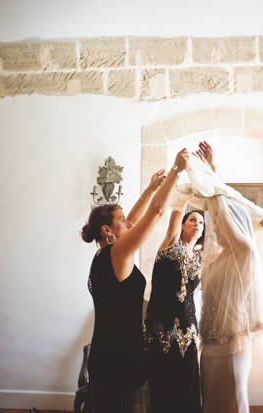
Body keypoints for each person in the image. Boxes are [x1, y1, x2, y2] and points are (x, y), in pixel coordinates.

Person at [175, 141, 263, 413]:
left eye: (216, 224)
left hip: (232, 347)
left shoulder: (246, 253)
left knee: (233, 405)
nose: (212, 229)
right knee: (212, 405)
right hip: (210, 345)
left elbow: (223, 211)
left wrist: (209, 176)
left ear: (236, 225)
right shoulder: (218, 258)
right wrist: (211, 173)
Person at [80, 148, 190, 413]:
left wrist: (150, 189)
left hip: (108, 355)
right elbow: (155, 212)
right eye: (121, 220)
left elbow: (134, 218)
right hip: (118, 361)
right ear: (107, 230)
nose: (128, 223)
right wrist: (175, 170)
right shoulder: (116, 253)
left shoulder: (103, 255)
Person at [143, 203, 205, 413]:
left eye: (201, 222)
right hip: (161, 328)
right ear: (183, 225)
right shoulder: (170, 245)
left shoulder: (199, 258)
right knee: (163, 386)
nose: (197, 224)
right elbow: (177, 210)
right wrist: (184, 172)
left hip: (189, 330)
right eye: (192, 220)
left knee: (187, 386)